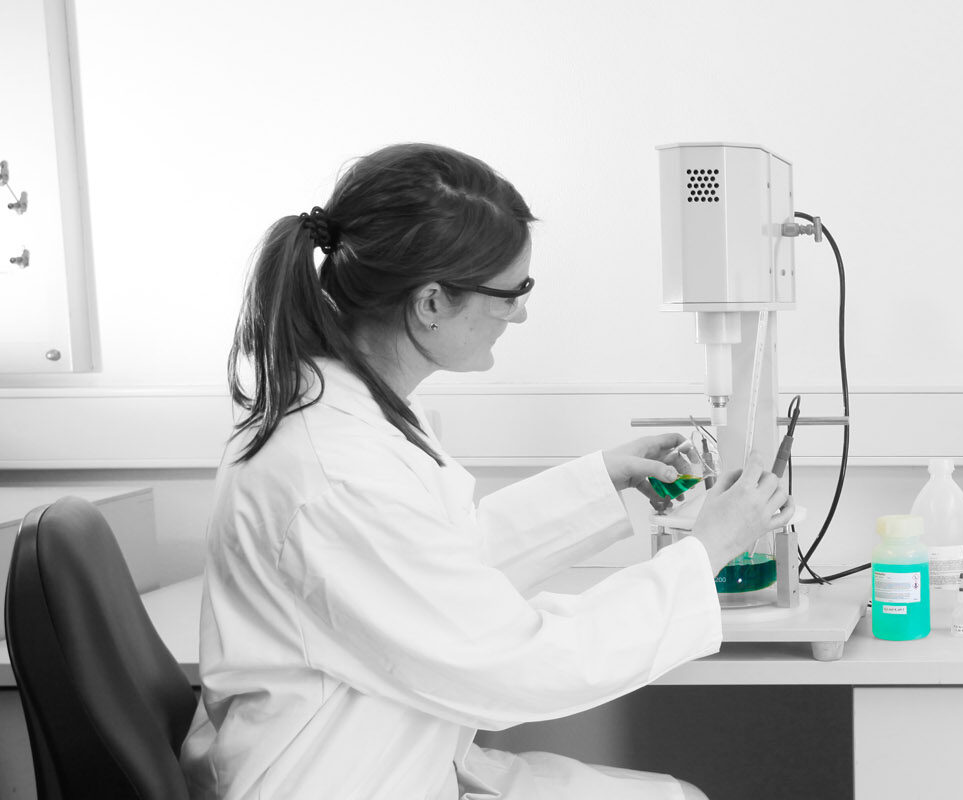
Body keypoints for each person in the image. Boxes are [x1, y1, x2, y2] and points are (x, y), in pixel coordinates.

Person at [180, 143, 788, 800]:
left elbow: (443, 564)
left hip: (385, 757)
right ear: (431, 303)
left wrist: (601, 479)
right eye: (512, 292)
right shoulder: (335, 472)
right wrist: (707, 550)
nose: (520, 313)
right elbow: (516, 664)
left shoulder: (348, 416)